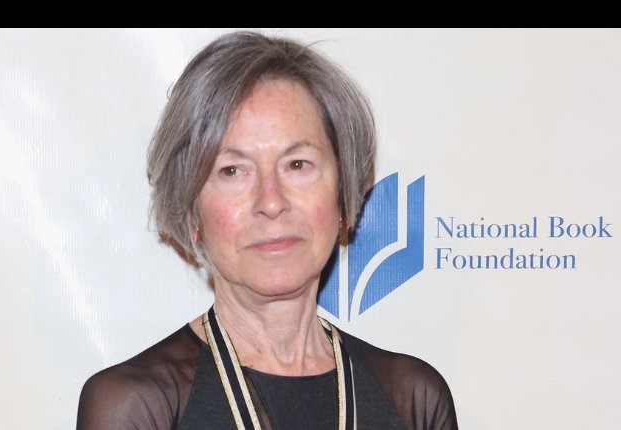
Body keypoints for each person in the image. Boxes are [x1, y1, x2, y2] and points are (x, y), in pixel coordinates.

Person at [77, 31, 458, 430]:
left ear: (343, 193)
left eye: (297, 165)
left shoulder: (413, 397)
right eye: (232, 171)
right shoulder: (138, 404)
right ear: (191, 213)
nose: (271, 202)